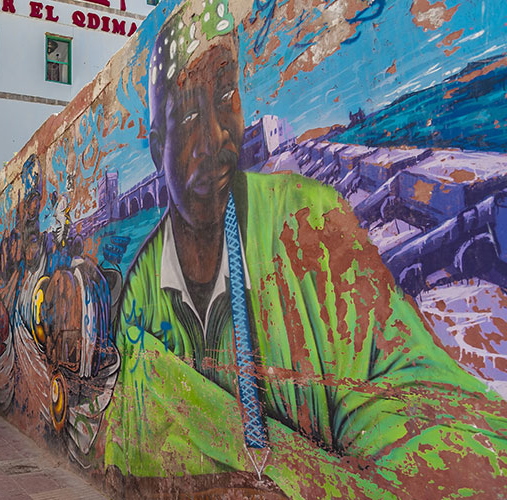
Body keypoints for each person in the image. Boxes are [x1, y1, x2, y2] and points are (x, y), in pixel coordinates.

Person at [102, 0, 507, 495]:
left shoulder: (309, 228)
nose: (214, 138)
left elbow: (420, 396)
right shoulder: (140, 297)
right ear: (154, 145)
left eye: (227, 93)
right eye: (187, 117)